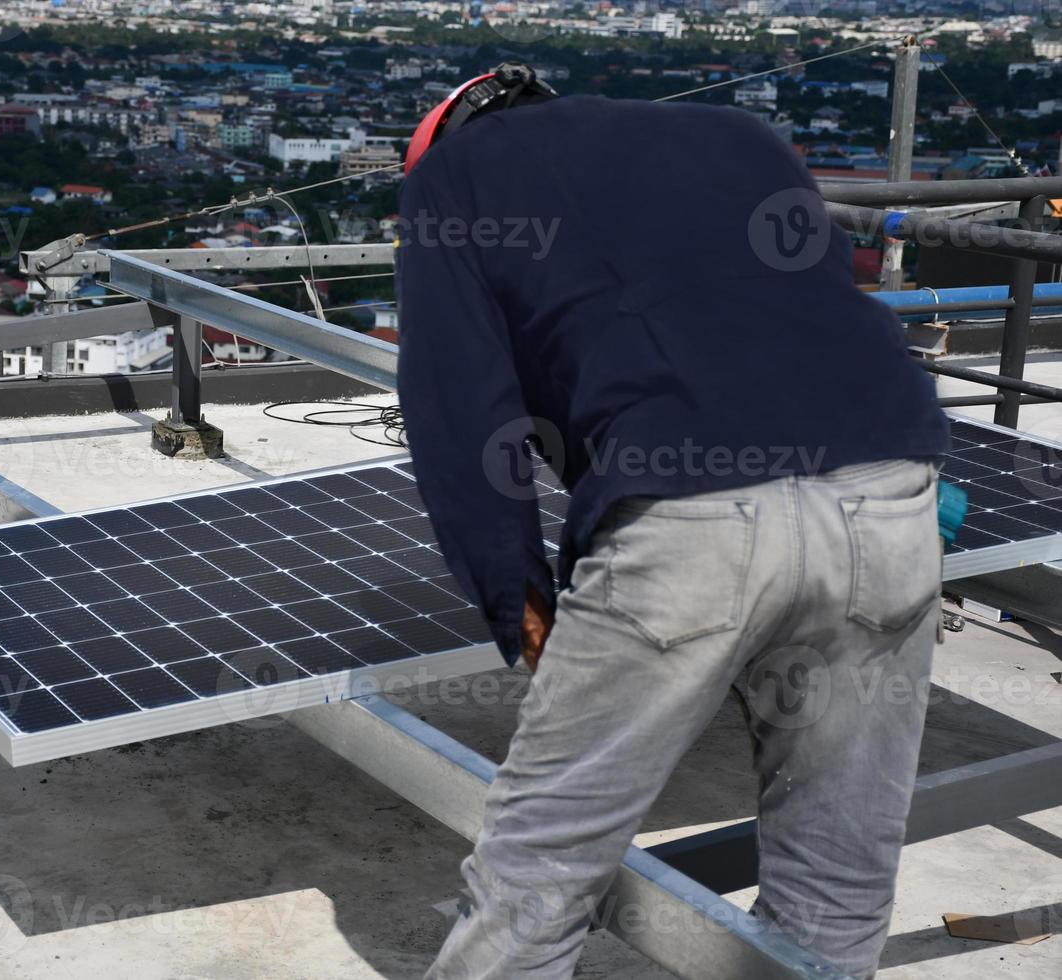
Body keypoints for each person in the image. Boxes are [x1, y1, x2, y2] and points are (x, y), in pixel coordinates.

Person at [394, 63, 951, 979]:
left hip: (690, 516)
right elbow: (796, 311)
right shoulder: (740, 134)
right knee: (839, 867)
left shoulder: (453, 181)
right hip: (891, 492)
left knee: (539, 872)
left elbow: (459, 415)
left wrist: (517, 599)